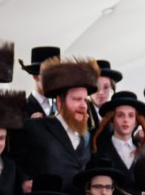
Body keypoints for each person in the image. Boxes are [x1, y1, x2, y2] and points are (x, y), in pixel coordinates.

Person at [16, 56, 98, 187]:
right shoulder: (35, 128)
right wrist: (24, 182)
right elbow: (14, 163)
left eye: (85, 100)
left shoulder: (87, 135)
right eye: (77, 99)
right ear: (60, 102)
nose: (83, 106)